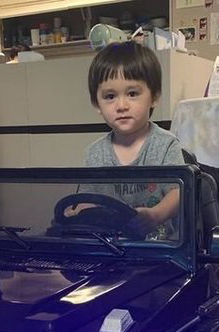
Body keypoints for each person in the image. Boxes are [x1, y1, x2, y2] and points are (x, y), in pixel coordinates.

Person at [82, 41, 184, 238]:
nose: (121, 105)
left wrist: (156, 214)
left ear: (154, 97)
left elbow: (179, 193)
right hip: (111, 246)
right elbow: (88, 199)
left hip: (161, 247)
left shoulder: (165, 144)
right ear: (96, 103)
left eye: (132, 94)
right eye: (110, 96)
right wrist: (80, 211)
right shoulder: (94, 153)